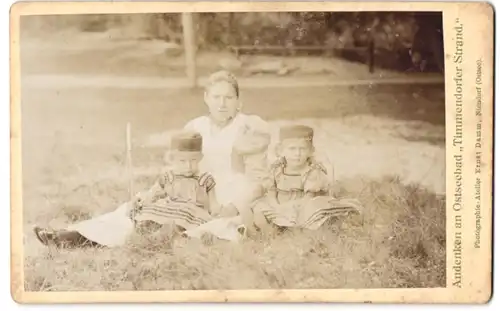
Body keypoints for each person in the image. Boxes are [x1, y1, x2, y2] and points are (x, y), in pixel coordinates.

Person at [33, 131, 220, 248]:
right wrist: (141, 199)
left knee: (121, 231)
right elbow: (151, 194)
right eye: (182, 161)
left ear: (201, 158)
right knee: (124, 222)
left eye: (193, 161)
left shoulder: (205, 180)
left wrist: (216, 216)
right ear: (172, 159)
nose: (188, 166)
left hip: (186, 219)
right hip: (163, 215)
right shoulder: (168, 177)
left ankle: (64, 238)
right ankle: (61, 237)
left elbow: (214, 206)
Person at [183, 70, 270, 208]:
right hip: (201, 194)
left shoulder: (248, 127)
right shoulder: (195, 127)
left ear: (237, 100)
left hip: (239, 196)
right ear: (206, 98)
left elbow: (258, 179)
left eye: (228, 98)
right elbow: (182, 169)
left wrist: (236, 206)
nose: (222, 104)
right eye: (216, 97)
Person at [253, 124, 363, 232]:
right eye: (292, 149)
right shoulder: (277, 169)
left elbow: (308, 198)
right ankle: (271, 232)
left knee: (316, 208)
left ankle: (297, 227)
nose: (297, 153)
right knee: (259, 207)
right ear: (281, 150)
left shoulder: (311, 171)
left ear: (310, 151)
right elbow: (272, 193)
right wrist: (276, 206)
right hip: (280, 207)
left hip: (302, 207)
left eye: (302, 149)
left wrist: (291, 208)